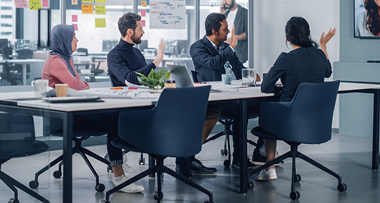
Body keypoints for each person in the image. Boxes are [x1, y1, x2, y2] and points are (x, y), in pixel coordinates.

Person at [106, 12, 219, 179]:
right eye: (140, 28)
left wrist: (162, 82)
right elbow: (131, 80)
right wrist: (156, 61)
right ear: (130, 32)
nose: (143, 32)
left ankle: (184, 161)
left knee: (191, 114)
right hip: (131, 110)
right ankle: (123, 173)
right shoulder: (114, 55)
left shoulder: (136, 53)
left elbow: (147, 80)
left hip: (149, 102)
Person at [42, 24, 144, 193]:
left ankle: (116, 158)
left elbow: (79, 86)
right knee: (114, 119)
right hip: (63, 118)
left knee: (116, 115)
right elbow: (78, 86)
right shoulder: (56, 61)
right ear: (64, 40)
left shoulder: (65, 59)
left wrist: (82, 85)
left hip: (74, 110)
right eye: (73, 36)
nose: (77, 40)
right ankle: (118, 174)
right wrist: (82, 85)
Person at [257, 17, 335, 181]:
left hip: (289, 121)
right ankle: (268, 159)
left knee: (268, 108)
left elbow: (265, 87)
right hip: (316, 122)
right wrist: (323, 45)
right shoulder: (320, 55)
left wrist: (281, 88)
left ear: (287, 38)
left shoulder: (286, 58)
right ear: (309, 35)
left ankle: (270, 168)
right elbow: (328, 72)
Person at [190, 12, 259, 169]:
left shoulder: (225, 47)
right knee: (241, 110)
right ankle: (239, 159)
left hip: (235, 95)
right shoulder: (198, 48)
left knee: (266, 106)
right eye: (225, 28)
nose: (228, 32)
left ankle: (257, 153)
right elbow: (213, 63)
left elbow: (239, 68)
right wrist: (231, 48)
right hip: (216, 99)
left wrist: (251, 75)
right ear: (214, 31)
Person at [220, 0, 248, 64]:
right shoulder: (225, 15)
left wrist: (233, 39)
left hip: (240, 54)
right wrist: (221, 15)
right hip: (226, 53)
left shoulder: (245, 13)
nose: (225, 1)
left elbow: (248, 33)